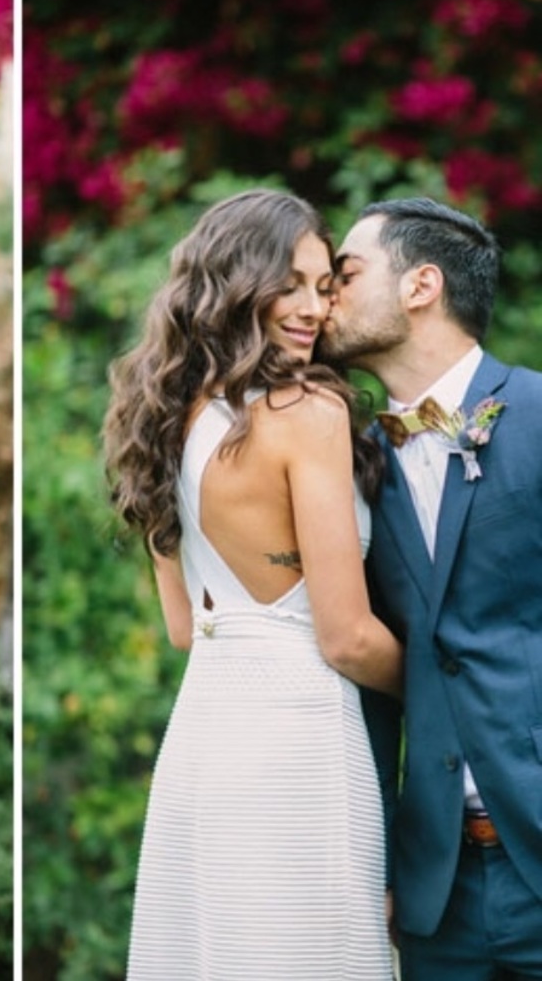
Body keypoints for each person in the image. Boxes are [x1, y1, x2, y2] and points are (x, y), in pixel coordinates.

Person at [103, 188, 402, 980]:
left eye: (323, 284)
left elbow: (181, 628)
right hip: (300, 740)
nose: (314, 308)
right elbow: (346, 635)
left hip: (207, 736)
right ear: (238, 284)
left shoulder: (161, 415)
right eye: (291, 285)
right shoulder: (306, 414)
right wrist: (446, 680)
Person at [322, 196, 542, 980]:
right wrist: (379, 862)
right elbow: (373, 684)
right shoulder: (351, 470)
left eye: (344, 275)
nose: (325, 298)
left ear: (421, 285)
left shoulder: (541, 415)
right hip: (435, 892)